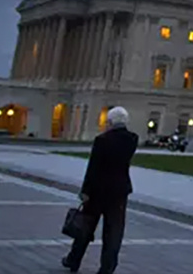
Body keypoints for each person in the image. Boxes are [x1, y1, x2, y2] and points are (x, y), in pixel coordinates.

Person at [62, 106, 139, 274]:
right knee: (114, 232)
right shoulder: (133, 139)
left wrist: (85, 191)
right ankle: (107, 268)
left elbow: (93, 168)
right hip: (119, 191)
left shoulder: (102, 140)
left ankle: (73, 260)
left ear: (110, 122)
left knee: (85, 228)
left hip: (98, 191)